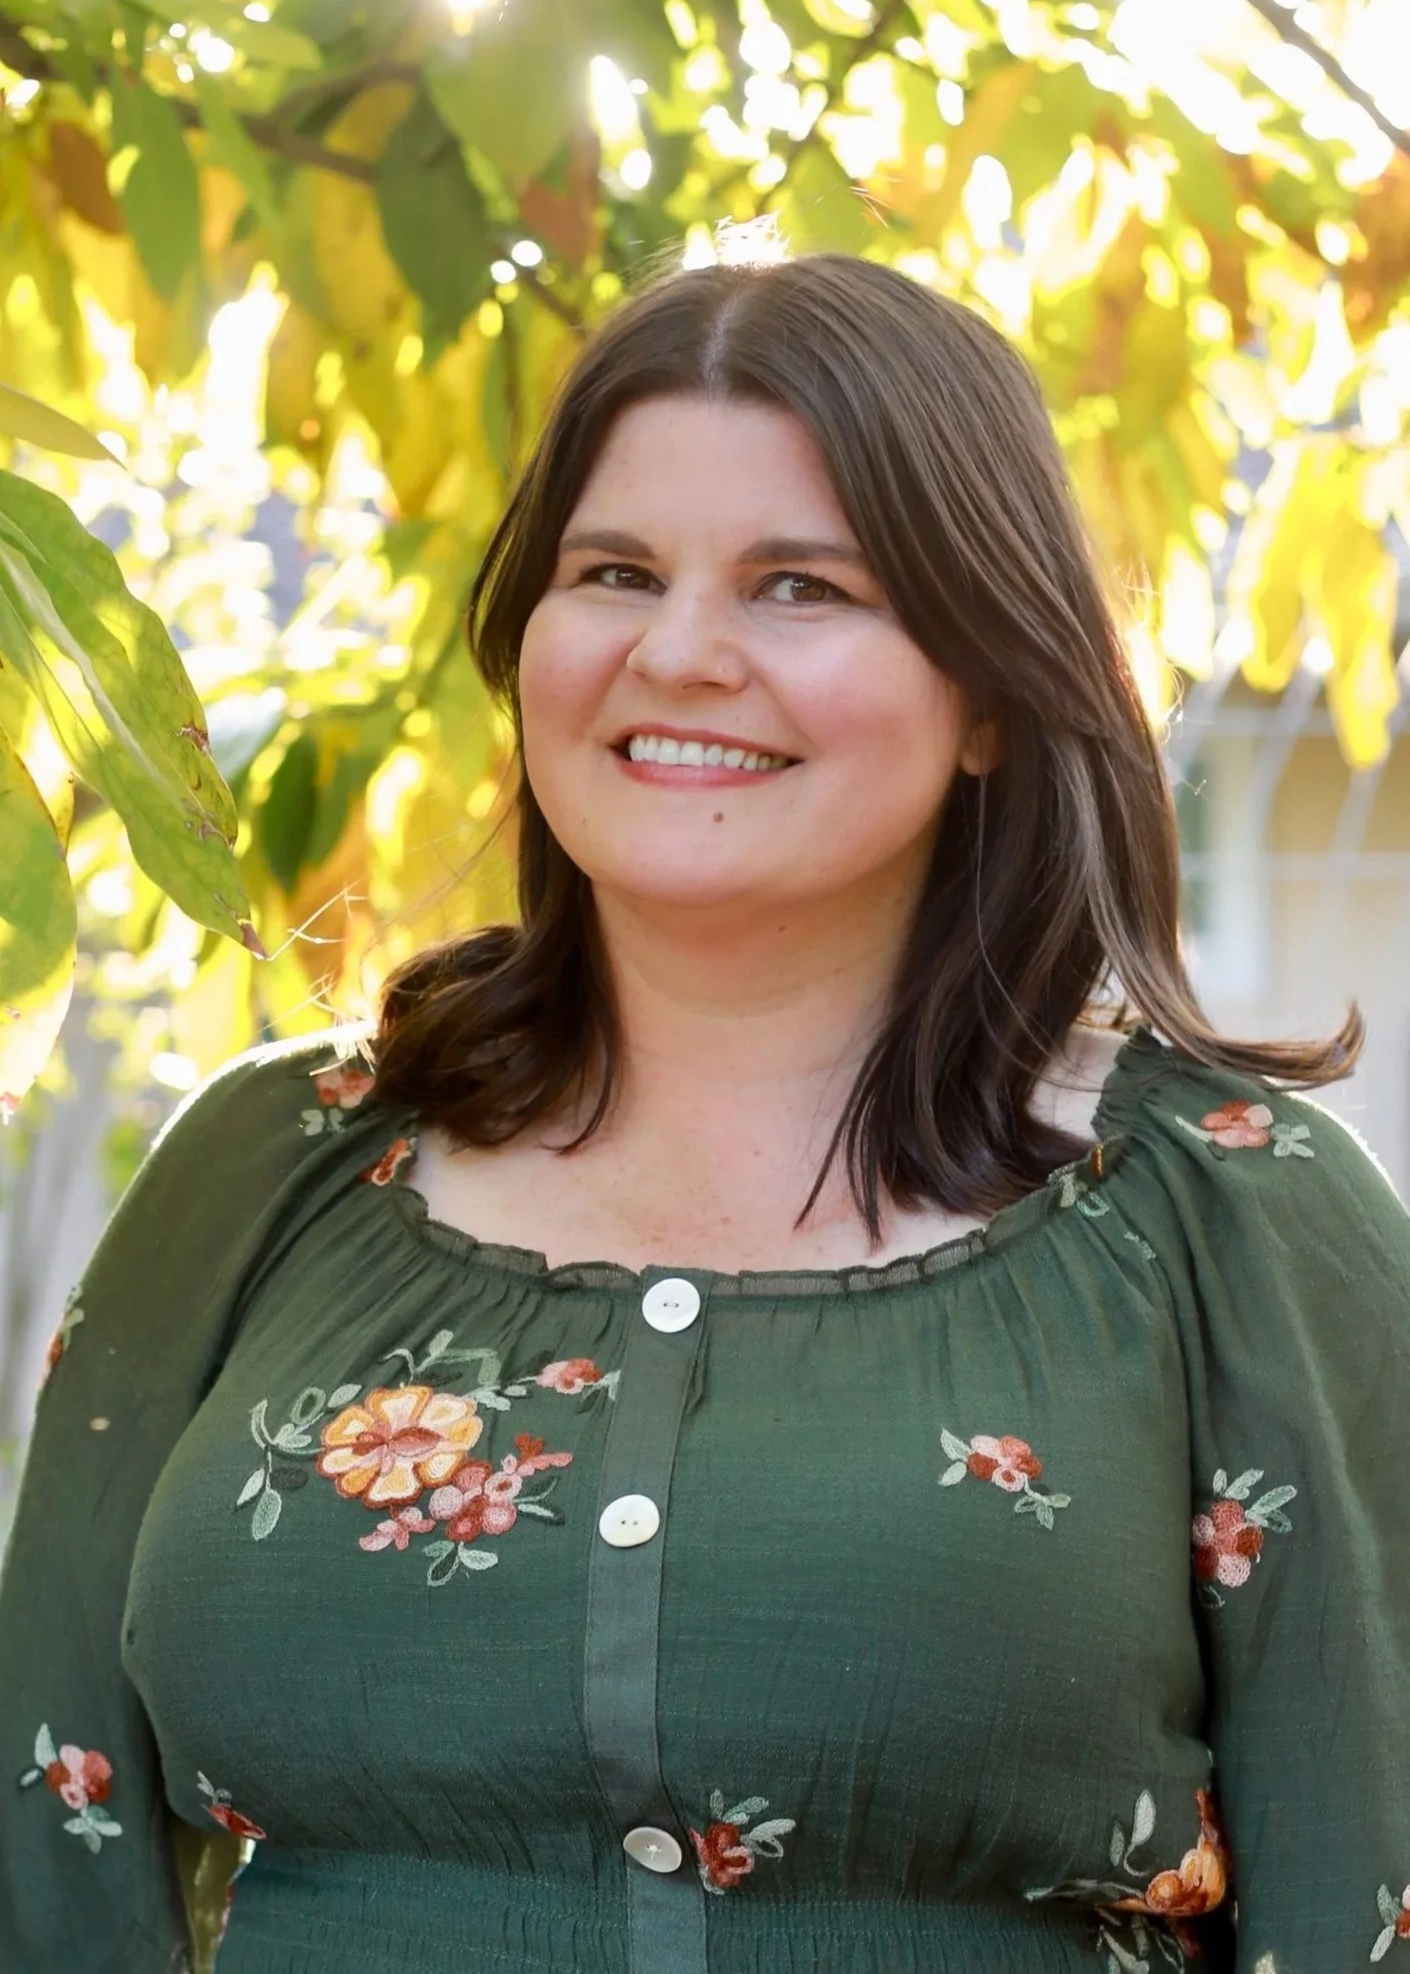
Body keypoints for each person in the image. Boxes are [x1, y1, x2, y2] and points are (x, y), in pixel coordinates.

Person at [1, 250, 1406, 1974]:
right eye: (614, 572)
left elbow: (1373, 1896)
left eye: (799, 586)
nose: (677, 652)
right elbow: (44, 1849)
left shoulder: (1228, 1210)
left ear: (986, 692)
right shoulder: (270, 1169)